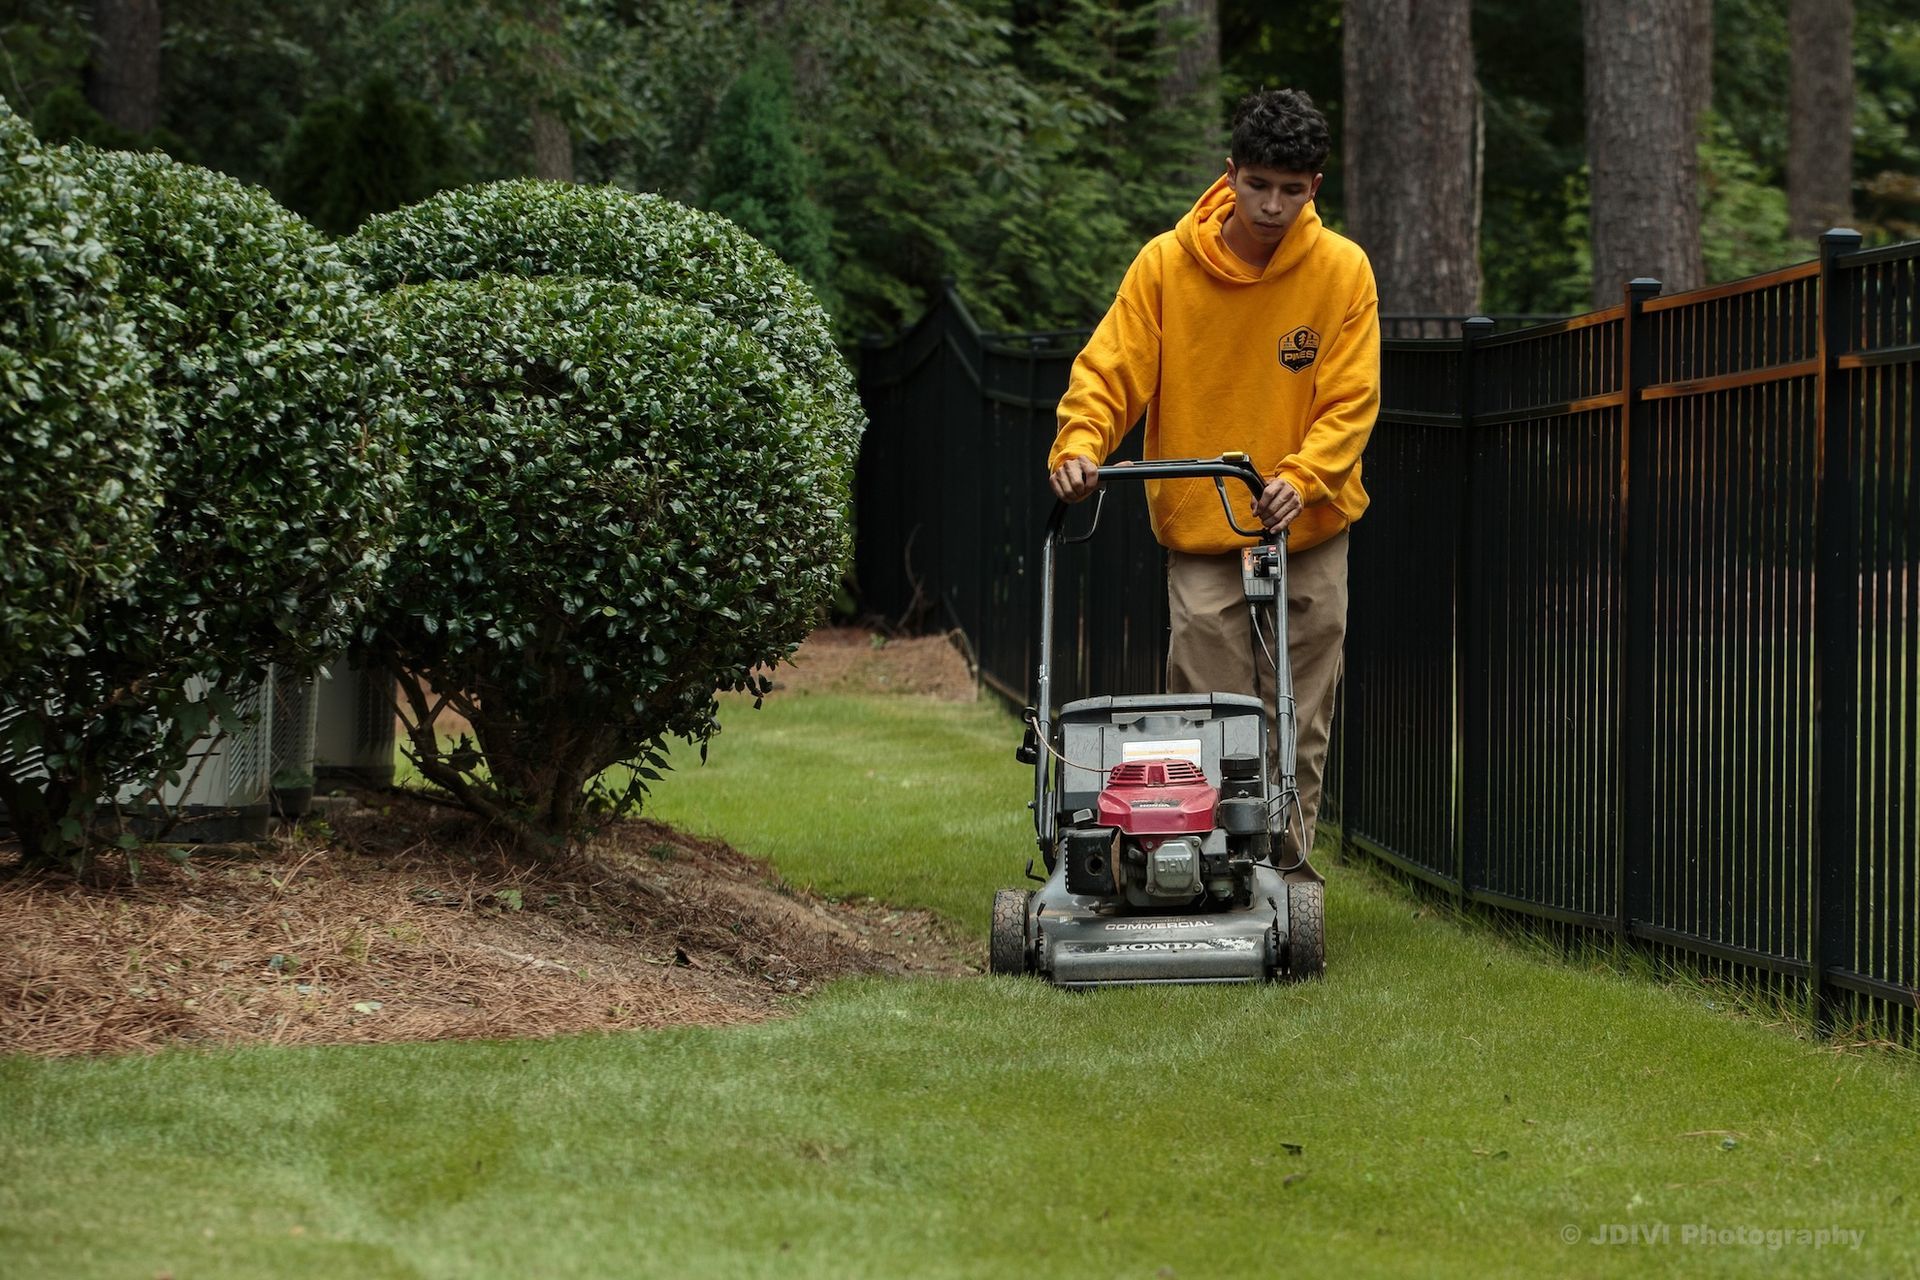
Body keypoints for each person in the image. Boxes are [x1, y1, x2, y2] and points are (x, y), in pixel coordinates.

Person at [1045, 87, 1380, 869]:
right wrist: (1080, 442)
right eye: (1258, 184)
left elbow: (1351, 398)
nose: (1271, 206)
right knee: (1207, 708)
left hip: (1309, 524)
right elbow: (1110, 368)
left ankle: (1285, 869)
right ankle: (1201, 862)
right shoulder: (1167, 266)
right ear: (1229, 175)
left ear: (1314, 189)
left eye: (1291, 191)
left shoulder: (1341, 273)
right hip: (1202, 528)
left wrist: (1306, 474)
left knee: (1297, 712)